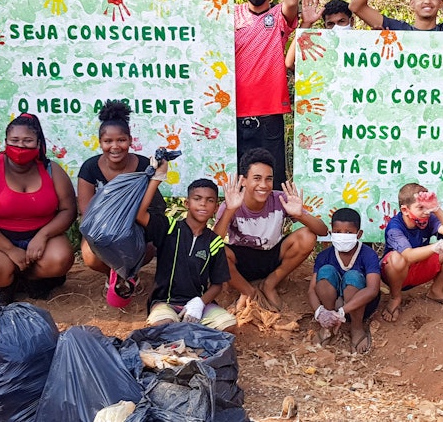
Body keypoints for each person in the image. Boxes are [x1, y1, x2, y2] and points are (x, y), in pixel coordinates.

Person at [0, 113, 76, 302]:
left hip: (40, 238)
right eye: (14, 140)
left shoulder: (52, 170)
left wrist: (43, 235)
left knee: (61, 259)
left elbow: (68, 210)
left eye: (28, 140)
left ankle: (30, 279)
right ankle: (5, 283)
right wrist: (10, 249)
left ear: (38, 143)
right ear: (6, 142)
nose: (21, 146)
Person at [76, 99, 167, 306]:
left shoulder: (145, 166)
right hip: (101, 231)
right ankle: (117, 273)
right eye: (108, 141)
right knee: (90, 255)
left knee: (145, 247)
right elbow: (88, 214)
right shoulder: (90, 168)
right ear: (100, 142)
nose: (115, 147)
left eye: (121, 140)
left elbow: (153, 208)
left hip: (137, 231)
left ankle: (128, 272)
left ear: (130, 140)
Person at [215, 148, 328, 311]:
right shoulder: (231, 204)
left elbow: (322, 231)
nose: (263, 185)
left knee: (308, 235)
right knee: (217, 251)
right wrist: (230, 210)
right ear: (244, 180)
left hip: (272, 256)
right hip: (241, 260)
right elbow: (211, 242)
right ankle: (248, 292)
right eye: (257, 178)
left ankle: (270, 284)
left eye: (269, 179)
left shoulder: (280, 199)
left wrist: (300, 215)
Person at [229, 0, 299, 178]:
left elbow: (292, 1)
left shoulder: (279, 15)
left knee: (273, 179)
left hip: (270, 111)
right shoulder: (230, 14)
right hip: (233, 110)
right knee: (239, 179)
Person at [143, 176, 238, 332]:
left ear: (215, 208)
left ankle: (190, 328)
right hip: (165, 303)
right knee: (164, 324)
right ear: (187, 203)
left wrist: (199, 304)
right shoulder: (169, 228)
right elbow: (140, 214)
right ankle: (186, 329)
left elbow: (217, 284)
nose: (203, 204)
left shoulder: (214, 242)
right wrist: (156, 179)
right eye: (197, 198)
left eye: (210, 200)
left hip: (198, 305)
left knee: (228, 324)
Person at [380, 183, 443, 321]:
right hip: (397, 273)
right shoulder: (394, 226)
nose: (426, 211)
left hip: (419, 269)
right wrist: (436, 246)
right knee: (396, 258)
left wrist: (436, 209)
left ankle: (436, 291)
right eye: (421, 207)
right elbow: (408, 255)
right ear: (405, 210)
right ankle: (395, 297)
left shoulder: (429, 218)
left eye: (428, 207)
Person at [309, 207, 382, 353]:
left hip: (361, 305)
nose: (343, 236)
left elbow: (373, 289)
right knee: (326, 272)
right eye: (337, 232)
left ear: (359, 234)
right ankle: (327, 325)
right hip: (333, 306)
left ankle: (357, 327)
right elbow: (312, 289)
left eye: (349, 232)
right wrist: (320, 312)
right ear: (331, 233)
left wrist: (342, 312)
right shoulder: (324, 256)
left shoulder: (368, 254)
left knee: (353, 277)